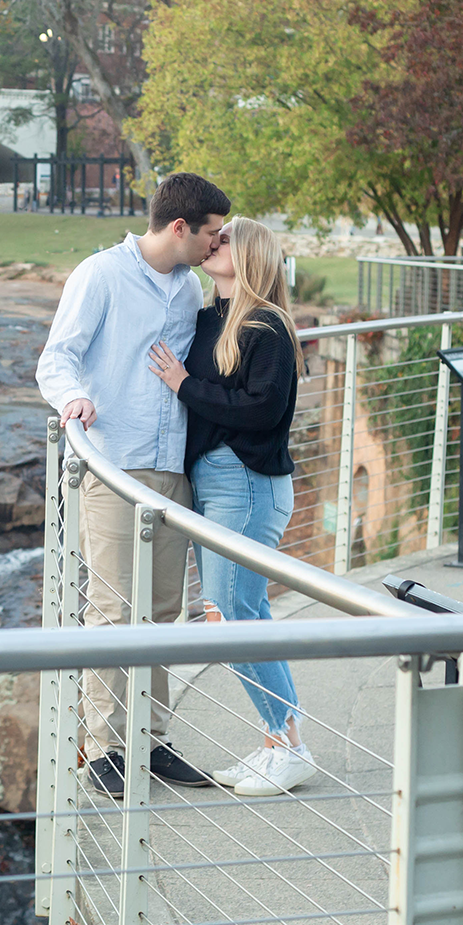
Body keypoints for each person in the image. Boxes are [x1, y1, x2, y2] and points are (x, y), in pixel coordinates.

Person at [36, 172, 230, 797]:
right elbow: (56, 357)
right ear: (180, 228)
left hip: (173, 467)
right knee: (116, 610)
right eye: (211, 232)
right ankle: (103, 750)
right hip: (113, 463)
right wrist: (75, 398)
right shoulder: (100, 274)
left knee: (163, 611)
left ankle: (149, 741)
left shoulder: (190, 286)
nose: (216, 242)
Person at [145, 215, 314, 797]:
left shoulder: (266, 325)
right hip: (214, 485)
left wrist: (183, 384)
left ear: (251, 257)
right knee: (244, 613)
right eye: (212, 239)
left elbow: (260, 410)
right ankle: (281, 742)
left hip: (245, 487)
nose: (212, 244)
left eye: (225, 240)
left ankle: (289, 744)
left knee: (228, 617)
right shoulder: (209, 315)